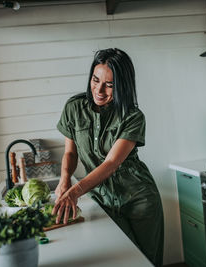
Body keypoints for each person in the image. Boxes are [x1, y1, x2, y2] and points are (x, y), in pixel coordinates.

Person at [52, 48, 164, 267]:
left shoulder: (132, 116)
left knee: (148, 262)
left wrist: (74, 192)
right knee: (120, 262)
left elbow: (111, 163)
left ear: (122, 85)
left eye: (109, 85)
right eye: (95, 80)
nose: (99, 90)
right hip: (102, 201)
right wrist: (64, 178)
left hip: (139, 199)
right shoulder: (74, 108)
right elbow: (70, 152)